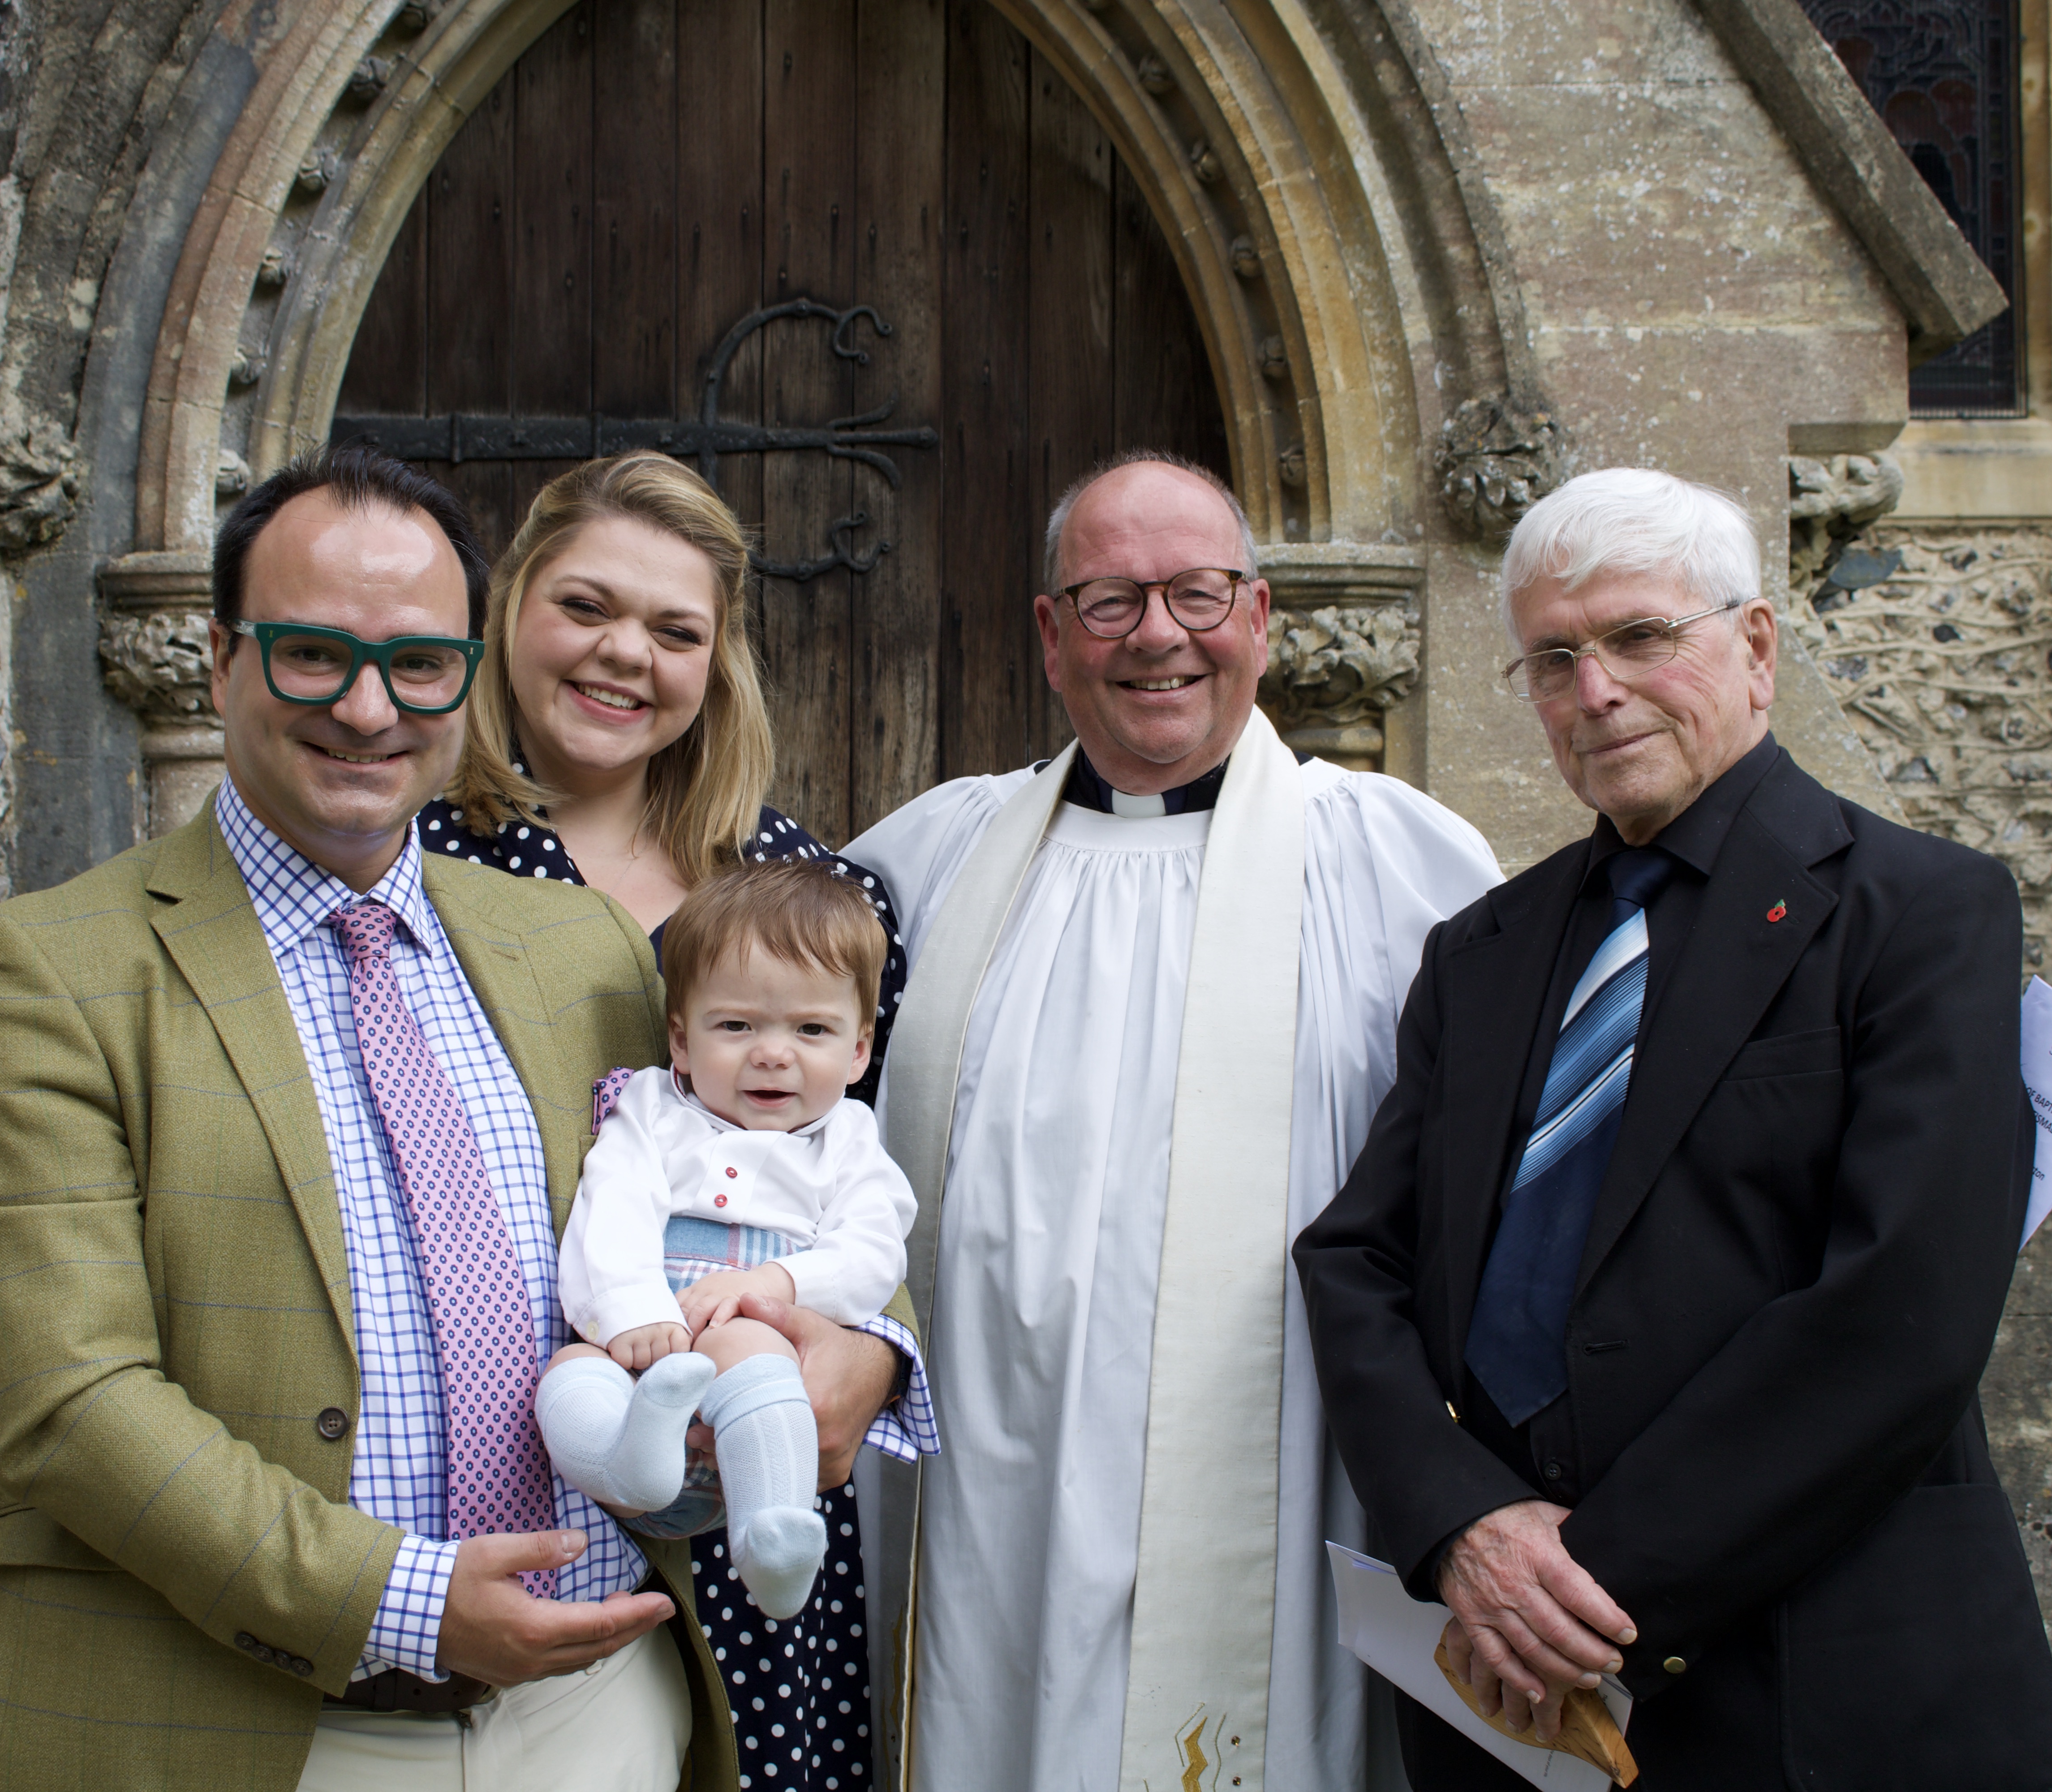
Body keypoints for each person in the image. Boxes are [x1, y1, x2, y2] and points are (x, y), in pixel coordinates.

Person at [0, 445, 743, 1791]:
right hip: (249, 1724)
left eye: (419, 665)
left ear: (465, 675)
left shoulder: (580, 949)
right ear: (222, 658)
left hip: (596, 1719)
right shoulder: (50, 971)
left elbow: (731, 1190)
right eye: (314, 655)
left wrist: (850, 1345)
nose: (369, 710)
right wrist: (409, 1601)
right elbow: (69, 1404)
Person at [1292, 468, 2052, 1789]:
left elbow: (1901, 1312)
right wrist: (1461, 1523)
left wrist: (1582, 1589)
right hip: (1511, 1707)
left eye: (1642, 637)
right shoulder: (1482, 951)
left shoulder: (1918, 914)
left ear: (1756, 646)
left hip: (1819, 1682)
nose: (1596, 690)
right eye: (1554, 658)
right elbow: (1356, 1261)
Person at [846, 451, 1506, 1792]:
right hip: (990, 1505)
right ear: (1049, 633)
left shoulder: (1400, 865)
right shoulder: (927, 862)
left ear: (1260, 617)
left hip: (1279, 1489)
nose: (1160, 635)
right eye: (1110, 599)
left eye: (1199, 595)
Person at [421, 449, 934, 1792]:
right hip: (509, 1479)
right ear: (511, 605)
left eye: (674, 630)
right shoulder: (412, 860)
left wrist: (873, 1350)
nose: (623, 655)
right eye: (586, 606)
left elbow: (841, 1172)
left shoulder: (802, 890)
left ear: (721, 661)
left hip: (751, 1479)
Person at [541, 859, 916, 1623]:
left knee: (753, 1349)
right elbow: (613, 1204)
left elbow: (873, 1254)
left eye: (811, 1030)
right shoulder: (651, 1108)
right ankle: (628, 1458)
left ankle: (771, 1533)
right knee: (570, 1371)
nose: (773, 1053)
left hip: (740, 1428)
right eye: (736, 1026)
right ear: (681, 1038)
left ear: (858, 1050)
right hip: (641, 1362)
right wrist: (631, 1312)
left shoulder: (848, 1144)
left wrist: (777, 1286)